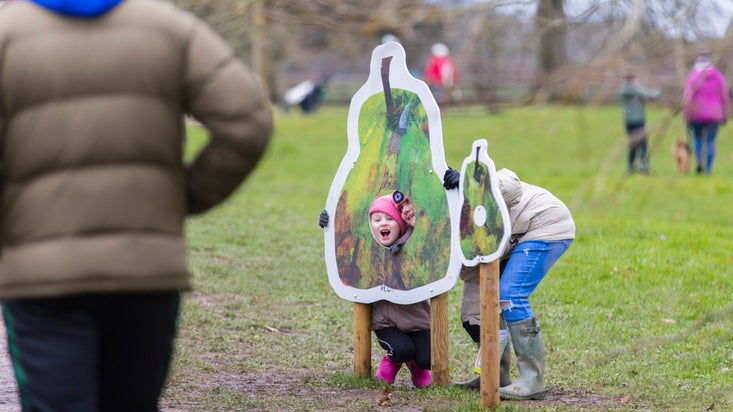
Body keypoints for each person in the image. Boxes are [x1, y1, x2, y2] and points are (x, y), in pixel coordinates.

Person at [0, 1, 273, 411]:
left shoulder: (7, 33)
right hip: (145, 270)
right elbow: (248, 121)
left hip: (43, 277)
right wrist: (185, 196)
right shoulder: (169, 28)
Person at [445, 168, 575, 400]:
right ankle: (495, 374)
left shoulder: (458, 189)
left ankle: (532, 380)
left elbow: (510, 183)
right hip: (507, 241)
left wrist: (469, 185)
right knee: (476, 307)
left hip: (543, 224)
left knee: (510, 294)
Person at [318, 194, 431, 388]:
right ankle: (392, 364)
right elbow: (345, 241)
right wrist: (329, 225)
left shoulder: (414, 245)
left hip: (416, 319)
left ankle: (416, 365)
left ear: (402, 225)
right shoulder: (365, 249)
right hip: (385, 321)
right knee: (402, 349)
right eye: (376, 220)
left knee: (428, 358)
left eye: (389, 219)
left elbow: (428, 231)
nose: (382, 223)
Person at [682, 51, 729, 175]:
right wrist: (725, 115)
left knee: (698, 140)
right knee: (710, 142)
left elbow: (687, 98)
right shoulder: (718, 76)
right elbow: (724, 97)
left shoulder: (693, 76)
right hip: (714, 114)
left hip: (696, 114)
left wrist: (686, 115)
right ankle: (708, 170)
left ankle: (699, 164)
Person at [619, 70, 660, 174]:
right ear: (633, 79)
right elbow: (651, 95)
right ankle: (643, 165)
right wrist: (658, 91)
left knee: (632, 144)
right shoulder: (636, 89)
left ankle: (630, 167)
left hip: (628, 120)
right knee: (643, 143)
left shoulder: (622, 90)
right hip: (638, 120)